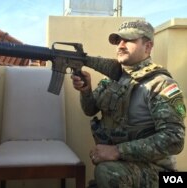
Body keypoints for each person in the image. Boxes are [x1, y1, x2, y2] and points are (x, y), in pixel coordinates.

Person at [71, 20, 186, 188]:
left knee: (107, 173)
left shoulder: (160, 84)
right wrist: (85, 90)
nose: (121, 45)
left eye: (129, 40)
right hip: (122, 165)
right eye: (118, 40)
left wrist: (117, 151)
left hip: (158, 172)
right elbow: (90, 109)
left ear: (148, 46)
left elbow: (174, 139)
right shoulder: (113, 77)